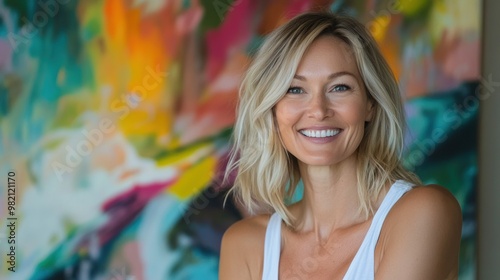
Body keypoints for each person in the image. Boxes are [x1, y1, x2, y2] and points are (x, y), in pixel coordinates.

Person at [219, 11, 462, 280]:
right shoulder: (245, 244)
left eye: (339, 87)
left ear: (370, 104)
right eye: (295, 89)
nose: (318, 110)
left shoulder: (422, 213)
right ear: (273, 111)